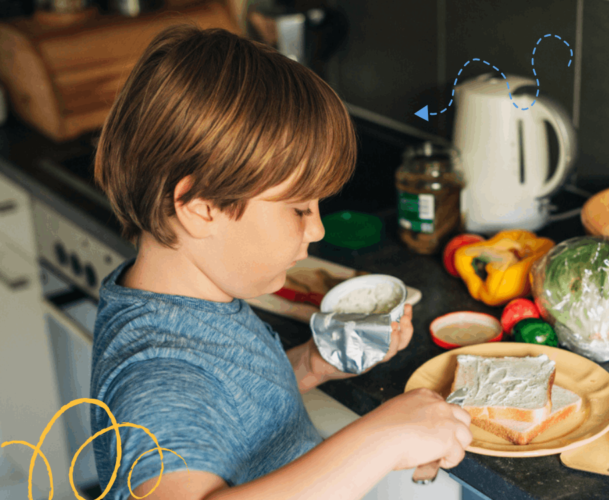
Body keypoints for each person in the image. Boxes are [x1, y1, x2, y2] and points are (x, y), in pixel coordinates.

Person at [90, 24, 472, 500]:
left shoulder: (191, 302)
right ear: (200, 206)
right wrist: (381, 439)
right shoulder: (160, 376)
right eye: (298, 209)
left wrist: (311, 364)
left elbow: (232, 413)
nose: (317, 230)